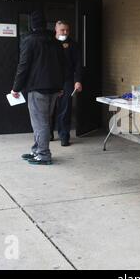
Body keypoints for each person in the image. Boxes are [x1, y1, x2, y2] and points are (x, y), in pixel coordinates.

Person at [11, 10, 67, 165]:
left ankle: (43, 154)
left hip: (38, 88)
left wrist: (16, 88)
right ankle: (36, 150)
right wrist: (61, 85)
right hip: (54, 88)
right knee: (44, 121)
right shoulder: (56, 42)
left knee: (40, 122)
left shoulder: (29, 41)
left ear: (32, 24)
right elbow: (63, 66)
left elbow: (23, 66)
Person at [51, 20, 83, 147]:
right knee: (50, 108)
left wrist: (78, 80)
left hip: (67, 80)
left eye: (67, 30)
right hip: (50, 80)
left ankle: (64, 136)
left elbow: (78, 65)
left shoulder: (73, 45)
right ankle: (48, 133)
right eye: (62, 30)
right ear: (56, 30)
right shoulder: (49, 43)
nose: (65, 32)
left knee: (65, 108)